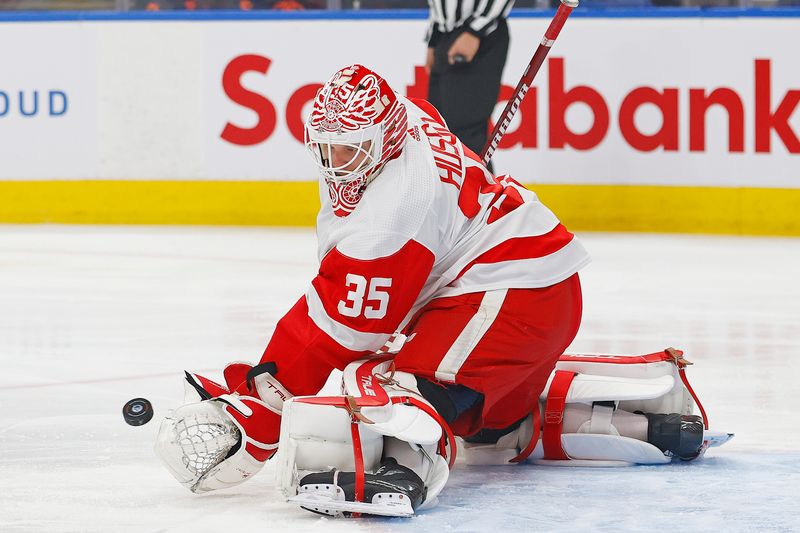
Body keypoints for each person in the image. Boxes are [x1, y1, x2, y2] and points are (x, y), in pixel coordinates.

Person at [154, 65, 709, 517]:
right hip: (525, 291)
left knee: (393, 388)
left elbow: (348, 327)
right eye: (325, 149)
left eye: (348, 151)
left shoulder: (393, 214)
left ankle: (399, 466)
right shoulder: (409, 114)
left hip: (510, 298)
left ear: (385, 139)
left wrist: (266, 391)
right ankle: (638, 423)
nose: (333, 165)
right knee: (488, 427)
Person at [425, 0, 515, 172]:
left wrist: (475, 31)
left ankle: (480, 197)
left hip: (481, 36)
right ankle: (456, 198)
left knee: (465, 138)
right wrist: (434, 37)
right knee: (440, 134)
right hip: (446, 35)